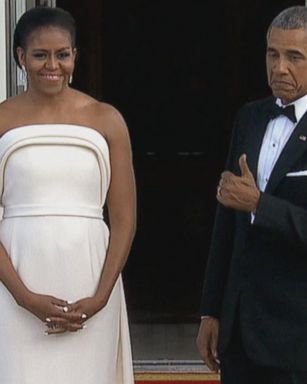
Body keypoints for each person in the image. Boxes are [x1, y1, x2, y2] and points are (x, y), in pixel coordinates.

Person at [0, 6, 136, 384]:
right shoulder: (1, 120)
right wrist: (23, 297)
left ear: (75, 55)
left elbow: (124, 218)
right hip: (13, 287)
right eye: (41, 54)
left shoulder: (107, 119)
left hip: (90, 282)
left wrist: (102, 295)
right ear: (20, 56)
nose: (52, 65)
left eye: (63, 54)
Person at [196, 5, 307, 384]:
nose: (280, 68)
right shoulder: (250, 117)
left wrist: (261, 204)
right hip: (240, 330)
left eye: (295, 57)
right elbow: (226, 221)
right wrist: (211, 311)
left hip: (297, 335)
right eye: (272, 54)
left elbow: (251, 204)